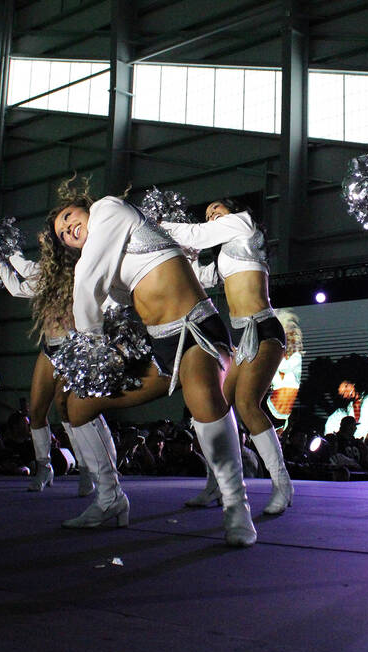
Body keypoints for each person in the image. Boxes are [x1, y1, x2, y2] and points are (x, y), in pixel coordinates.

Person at [48, 178, 256, 546]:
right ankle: (110, 499)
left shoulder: (108, 209)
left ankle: (236, 506)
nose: (67, 229)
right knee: (76, 407)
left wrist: (91, 346)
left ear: (84, 205)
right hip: (160, 346)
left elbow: (85, 286)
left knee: (202, 395)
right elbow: (105, 302)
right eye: (63, 234)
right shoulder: (105, 256)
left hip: (196, 329)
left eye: (67, 217)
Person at [159, 198, 294, 514]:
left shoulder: (243, 223)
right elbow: (199, 279)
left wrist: (160, 228)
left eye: (216, 210)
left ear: (231, 209)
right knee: (211, 409)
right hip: (241, 337)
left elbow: (194, 234)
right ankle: (217, 483)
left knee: (247, 404)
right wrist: (188, 257)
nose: (211, 215)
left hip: (262, 329)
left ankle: (282, 485)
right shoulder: (224, 251)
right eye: (207, 214)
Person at [0, 238, 95, 496]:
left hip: (72, 349)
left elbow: (27, 268)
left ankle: (85, 469)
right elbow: (18, 288)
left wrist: (9, 251)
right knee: (36, 411)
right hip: (49, 348)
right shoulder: (46, 278)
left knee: (66, 411)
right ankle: (44, 467)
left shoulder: (78, 272)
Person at [266, 309, 303, 431]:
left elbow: (285, 369)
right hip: (270, 409)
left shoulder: (295, 358)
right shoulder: (272, 356)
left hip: (283, 416)